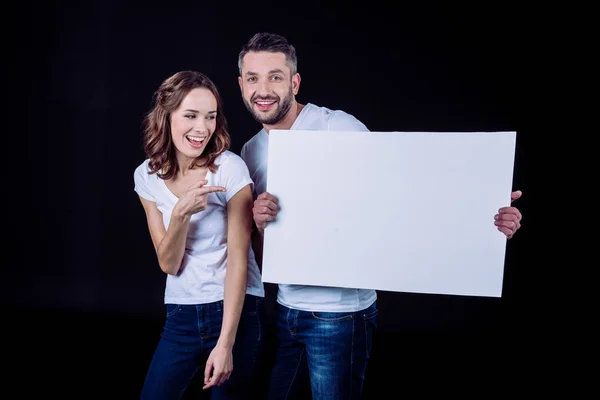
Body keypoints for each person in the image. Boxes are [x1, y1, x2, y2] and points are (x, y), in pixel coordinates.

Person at [237, 32, 523, 399]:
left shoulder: (335, 127)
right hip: (285, 310)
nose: (264, 89)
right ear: (242, 84)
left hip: (339, 317)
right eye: (253, 78)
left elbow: (401, 192)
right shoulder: (250, 151)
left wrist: (484, 213)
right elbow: (262, 254)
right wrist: (260, 226)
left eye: (275, 76)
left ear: (294, 82)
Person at [133, 70, 265, 400]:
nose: (201, 128)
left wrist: (225, 344)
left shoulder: (230, 168)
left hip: (234, 312)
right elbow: (169, 264)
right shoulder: (146, 177)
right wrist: (180, 215)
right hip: (181, 314)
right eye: (190, 115)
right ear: (166, 116)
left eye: (210, 117)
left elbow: (240, 261)